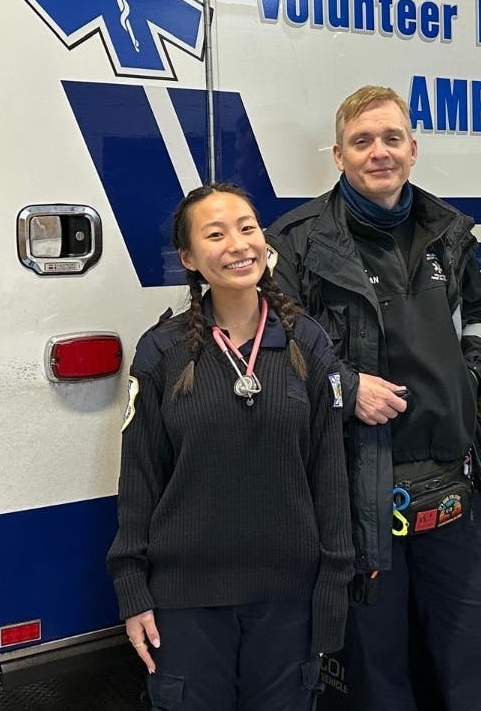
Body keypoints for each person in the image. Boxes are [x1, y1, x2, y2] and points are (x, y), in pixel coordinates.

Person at [267, 85, 481, 711]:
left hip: (454, 491)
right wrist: (344, 388)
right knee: (379, 682)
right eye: (362, 141)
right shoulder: (296, 242)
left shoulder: (449, 231)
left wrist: (473, 376)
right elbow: (273, 349)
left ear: (413, 148)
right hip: (360, 498)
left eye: (391, 138)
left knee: (480, 671)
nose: (379, 152)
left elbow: (479, 311)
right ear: (338, 154)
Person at [107, 183, 353, 711]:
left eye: (247, 228)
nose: (238, 245)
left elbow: (330, 474)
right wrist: (132, 589)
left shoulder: (306, 343)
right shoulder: (162, 351)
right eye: (215, 234)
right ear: (190, 258)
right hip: (185, 604)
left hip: (288, 601)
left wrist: (334, 583)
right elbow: (139, 480)